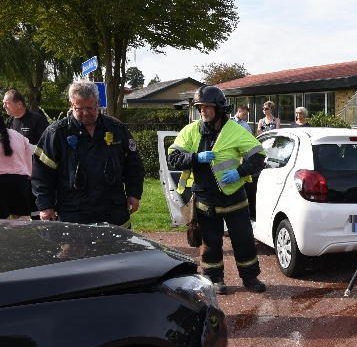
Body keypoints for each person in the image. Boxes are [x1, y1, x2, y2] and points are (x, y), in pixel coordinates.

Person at [167, 86, 267, 294]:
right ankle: (214, 278)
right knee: (210, 242)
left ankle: (250, 278)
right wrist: (195, 158)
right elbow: (173, 158)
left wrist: (239, 173)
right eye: (200, 107)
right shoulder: (190, 131)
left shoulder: (235, 131)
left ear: (220, 108)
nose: (203, 110)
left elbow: (258, 156)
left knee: (244, 240)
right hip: (205, 198)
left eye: (207, 106)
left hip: (234, 198)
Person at [31, 81, 144, 228]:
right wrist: (45, 205)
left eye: (90, 108)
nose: (85, 113)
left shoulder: (117, 129)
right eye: (79, 108)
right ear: (71, 105)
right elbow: (42, 173)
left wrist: (134, 193)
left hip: (113, 212)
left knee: (118, 250)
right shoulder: (56, 133)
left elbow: (133, 165)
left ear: (97, 103)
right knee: (74, 251)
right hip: (73, 212)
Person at [0, 119, 34, 219]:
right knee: (21, 222)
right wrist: (29, 172)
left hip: (1, 183)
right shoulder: (17, 135)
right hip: (20, 182)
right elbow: (29, 151)